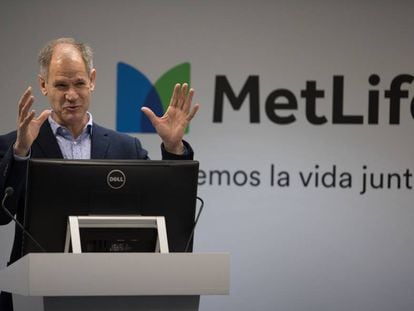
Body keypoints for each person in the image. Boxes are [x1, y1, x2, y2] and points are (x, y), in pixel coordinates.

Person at [0, 37, 199, 310]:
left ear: (92, 79)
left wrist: (173, 147)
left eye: (79, 83)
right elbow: (2, 213)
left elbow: (167, 210)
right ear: (44, 85)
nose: (72, 94)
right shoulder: (15, 144)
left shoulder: (126, 147)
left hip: (111, 291)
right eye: (61, 85)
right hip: (36, 292)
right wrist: (21, 151)